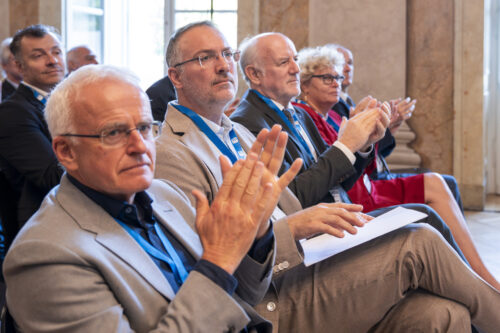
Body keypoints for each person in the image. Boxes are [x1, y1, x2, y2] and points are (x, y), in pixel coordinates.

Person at [154, 22, 500, 332]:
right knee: (418, 240)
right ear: (176, 76)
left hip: (307, 256)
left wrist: (361, 145)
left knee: (443, 312)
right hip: (267, 297)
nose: (222, 65)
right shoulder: (171, 153)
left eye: (226, 54)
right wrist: (298, 224)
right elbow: (208, 257)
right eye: (204, 58)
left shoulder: (238, 134)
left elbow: (289, 202)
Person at [2, 64, 304, 332]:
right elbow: (218, 276)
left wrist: (256, 232)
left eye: (145, 128)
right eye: (114, 133)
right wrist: (219, 261)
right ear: (66, 151)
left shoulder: (163, 193)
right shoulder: (44, 254)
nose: (139, 146)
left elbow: (243, 295)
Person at [293, 44, 500, 290]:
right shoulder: (305, 116)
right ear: (304, 84)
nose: (336, 83)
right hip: (354, 197)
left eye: (337, 77)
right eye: (327, 78)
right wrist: (365, 138)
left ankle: (469, 272)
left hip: (364, 184)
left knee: (439, 182)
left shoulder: (335, 116)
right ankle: (477, 280)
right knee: (434, 184)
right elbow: (334, 170)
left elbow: (364, 164)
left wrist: (379, 133)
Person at [332, 44, 464, 211]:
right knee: (443, 183)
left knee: (441, 180)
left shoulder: (347, 101)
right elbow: (354, 153)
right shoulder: (334, 108)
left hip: (370, 175)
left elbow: (369, 150)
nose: (347, 68)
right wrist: (384, 131)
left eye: (350, 63)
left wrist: (390, 127)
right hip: (366, 183)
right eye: (340, 63)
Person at [0, 25, 65, 239]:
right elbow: (51, 176)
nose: (52, 60)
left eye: (56, 52)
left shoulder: (71, 102)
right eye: (38, 55)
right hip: (40, 231)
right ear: (19, 66)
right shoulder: (12, 112)